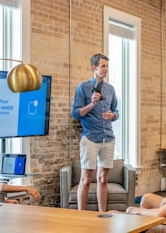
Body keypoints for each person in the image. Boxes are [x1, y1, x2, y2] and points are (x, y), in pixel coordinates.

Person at [72, 53, 119, 212]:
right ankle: (81, 216)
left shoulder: (110, 89)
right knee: (85, 180)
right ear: (95, 67)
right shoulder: (83, 87)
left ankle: (102, 215)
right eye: (103, 66)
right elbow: (76, 114)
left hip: (108, 138)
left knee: (103, 178)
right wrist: (92, 104)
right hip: (90, 138)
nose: (106, 69)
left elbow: (116, 112)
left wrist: (113, 115)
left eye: (107, 66)